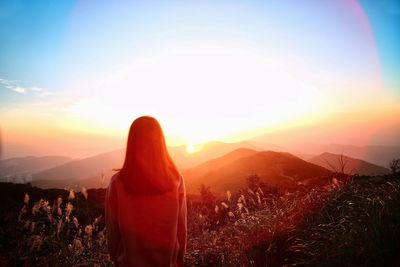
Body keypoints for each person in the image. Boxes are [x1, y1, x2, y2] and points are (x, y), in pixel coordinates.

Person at [105, 116, 187, 267]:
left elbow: (113, 235)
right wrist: (179, 260)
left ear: (132, 143)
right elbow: (181, 230)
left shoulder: (117, 183)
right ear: (161, 143)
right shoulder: (176, 180)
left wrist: (116, 259)